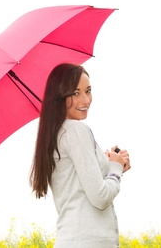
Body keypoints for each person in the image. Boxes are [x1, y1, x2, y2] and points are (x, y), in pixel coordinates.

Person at [29, 63, 131, 248]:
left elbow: (81, 186)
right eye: (75, 93)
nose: (86, 100)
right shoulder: (76, 130)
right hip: (88, 241)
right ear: (59, 96)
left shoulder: (56, 133)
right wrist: (115, 169)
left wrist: (112, 164)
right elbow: (100, 198)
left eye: (88, 91)